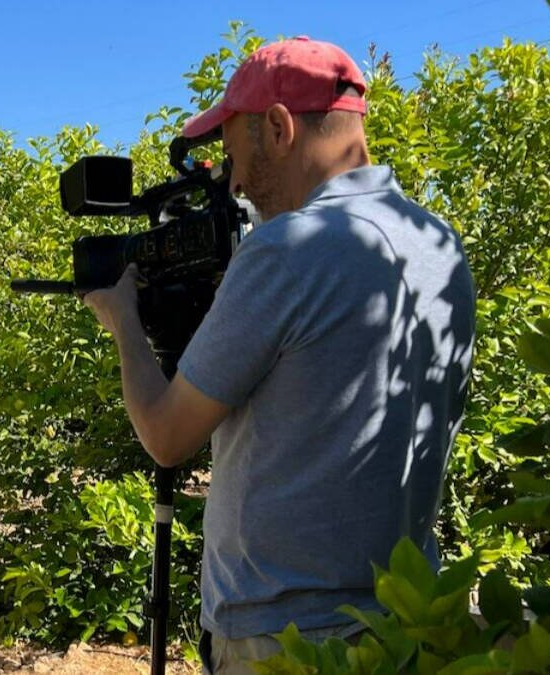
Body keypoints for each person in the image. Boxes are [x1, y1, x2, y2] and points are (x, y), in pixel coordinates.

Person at [82, 37, 476, 673]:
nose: (234, 182)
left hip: (285, 635)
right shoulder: (439, 245)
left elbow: (164, 435)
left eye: (237, 156)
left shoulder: (289, 248)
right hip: (405, 618)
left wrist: (123, 321)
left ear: (278, 126)